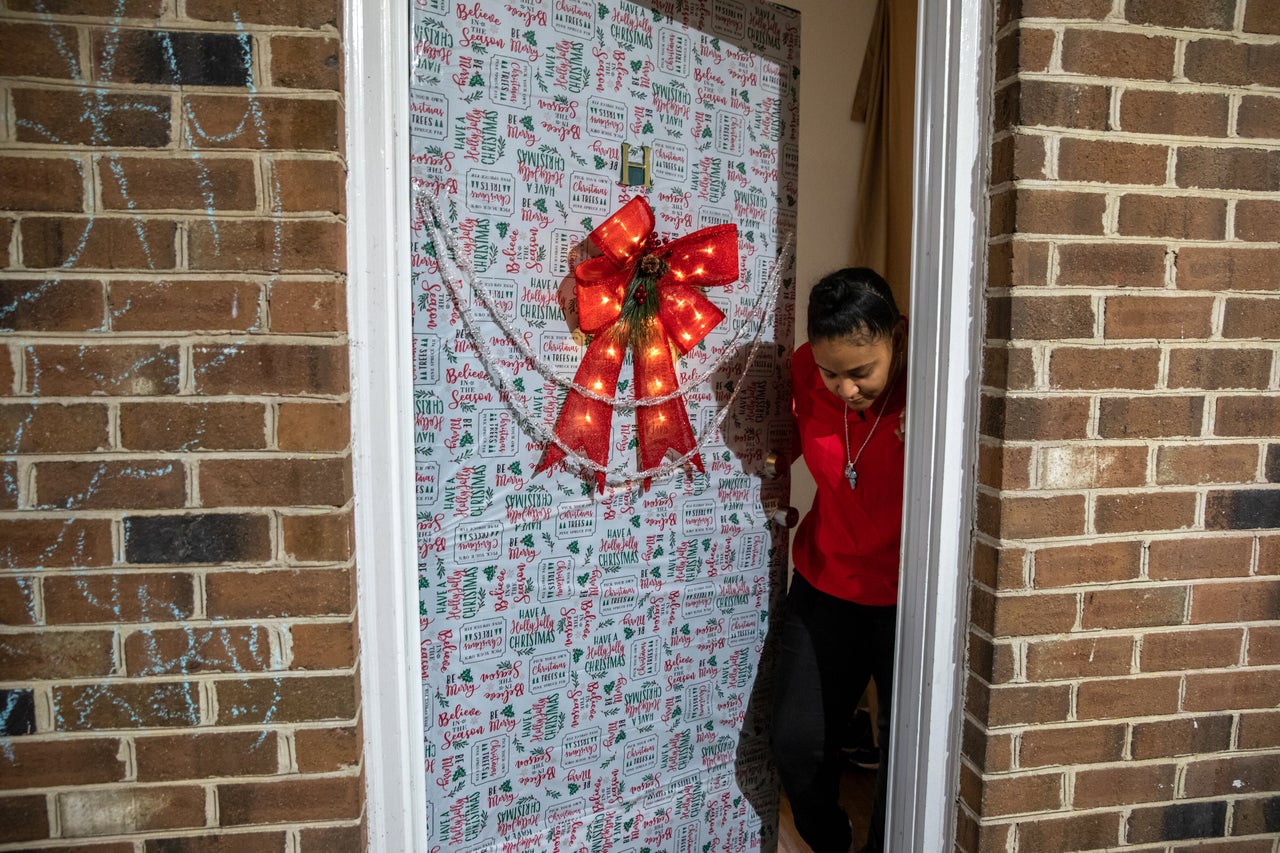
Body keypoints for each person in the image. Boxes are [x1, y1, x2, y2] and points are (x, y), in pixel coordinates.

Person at [771, 267, 907, 853]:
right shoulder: (804, 371)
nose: (844, 388)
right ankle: (831, 842)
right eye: (832, 372)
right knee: (796, 744)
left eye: (861, 372)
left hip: (908, 598)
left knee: (905, 762)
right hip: (825, 583)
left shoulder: (932, 386)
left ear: (896, 338)